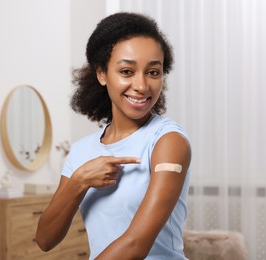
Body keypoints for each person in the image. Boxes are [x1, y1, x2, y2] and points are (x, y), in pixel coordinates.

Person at [36, 12, 191, 259]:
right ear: (101, 74)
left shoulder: (168, 141)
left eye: (153, 72)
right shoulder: (81, 151)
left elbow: (135, 244)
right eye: (127, 71)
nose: (141, 85)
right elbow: (45, 239)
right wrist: (79, 181)